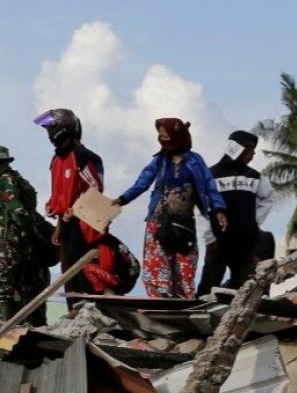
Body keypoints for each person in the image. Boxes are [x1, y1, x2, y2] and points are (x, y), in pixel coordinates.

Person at [115, 118, 227, 298]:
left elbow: (209, 186)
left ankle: (183, 303)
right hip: (158, 223)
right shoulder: (159, 161)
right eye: (160, 137)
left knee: (184, 267)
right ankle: (160, 301)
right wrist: (122, 199)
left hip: (184, 225)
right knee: (158, 267)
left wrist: (219, 209)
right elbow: (142, 182)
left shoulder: (195, 161)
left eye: (166, 137)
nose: (163, 140)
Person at [198, 129, 276, 295]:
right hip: (218, 241)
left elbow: (269, 198)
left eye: (254, 149)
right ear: (235, 148)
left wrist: (254, 221)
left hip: (245, 241)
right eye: (249, 148)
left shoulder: (254, 176)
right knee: (208, 284)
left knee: (244, 287)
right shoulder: (211, 175)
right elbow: (201, 208)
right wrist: (209, 238)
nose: (253, 153)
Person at [37, 109, 106, 293]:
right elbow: (60, 191)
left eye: (50, 129)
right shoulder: (57, 158)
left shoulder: (84, 156)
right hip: (66, 224)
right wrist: (54, 209)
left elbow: (96, 189)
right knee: (68, 273)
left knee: (85, 273)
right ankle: (74, 312)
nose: (49, 134)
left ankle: (90, 311)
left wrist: (76, 209)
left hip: (85, 224)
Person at [0, 145, 50, 316]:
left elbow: (17, 210)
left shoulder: (5, 181)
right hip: (20, 243)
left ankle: (6, 324)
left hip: (10, 243)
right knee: (22, 287)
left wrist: (25, 233)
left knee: (3, 285)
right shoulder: (15, 179)